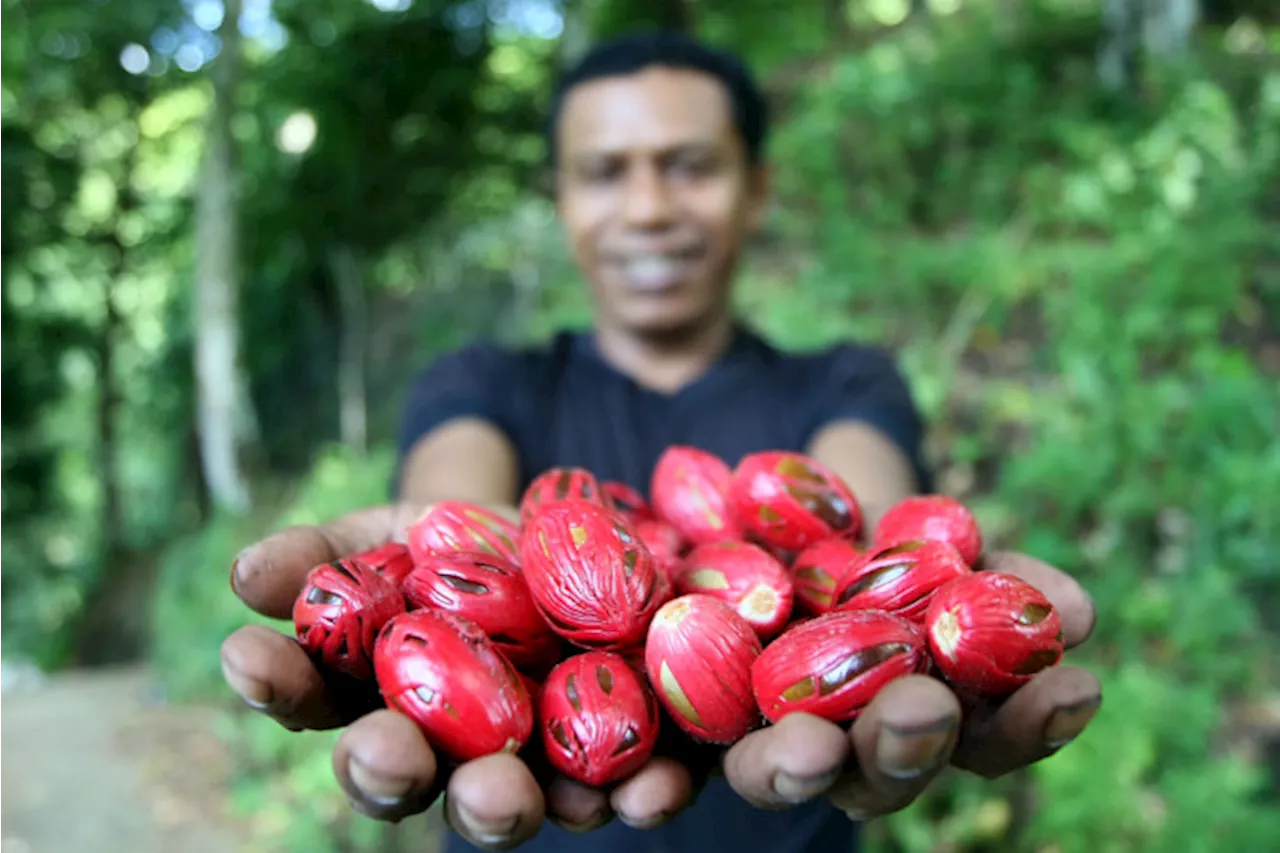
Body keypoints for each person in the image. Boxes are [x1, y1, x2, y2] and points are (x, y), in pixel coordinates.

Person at [220, 29, 1102, 853]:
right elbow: (451, 498)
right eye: (605, 172)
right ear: (560, 198)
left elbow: (860, 503)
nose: (648, 208)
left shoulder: (847, 381)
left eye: (689, 166)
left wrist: (892, 580)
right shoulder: (482, 382)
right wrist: (442, 555)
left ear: (756, 186)